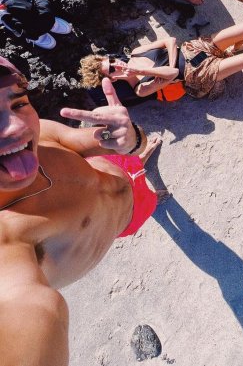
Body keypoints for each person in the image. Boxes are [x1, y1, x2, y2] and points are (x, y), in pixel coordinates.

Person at [0, 56, 164, 365]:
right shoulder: (9, 237)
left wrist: (129, 139)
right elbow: (27, 311)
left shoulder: (41, 135)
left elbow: (85, 141)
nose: (17, 127)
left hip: (115, 171)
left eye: (18, 104)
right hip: (125, 219)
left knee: (137, 157)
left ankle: (143, 163)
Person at [79, 20, 243, 100]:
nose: (118, 64)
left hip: (192, 50)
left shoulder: (136, 53)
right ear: (113, 80)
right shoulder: (140, 88)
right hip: (197, 74)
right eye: (113, 69)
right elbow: (173, 75)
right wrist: (142, 72)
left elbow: (170, 41)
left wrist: (171, 64)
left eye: (112, 60)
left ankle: (236, 52)